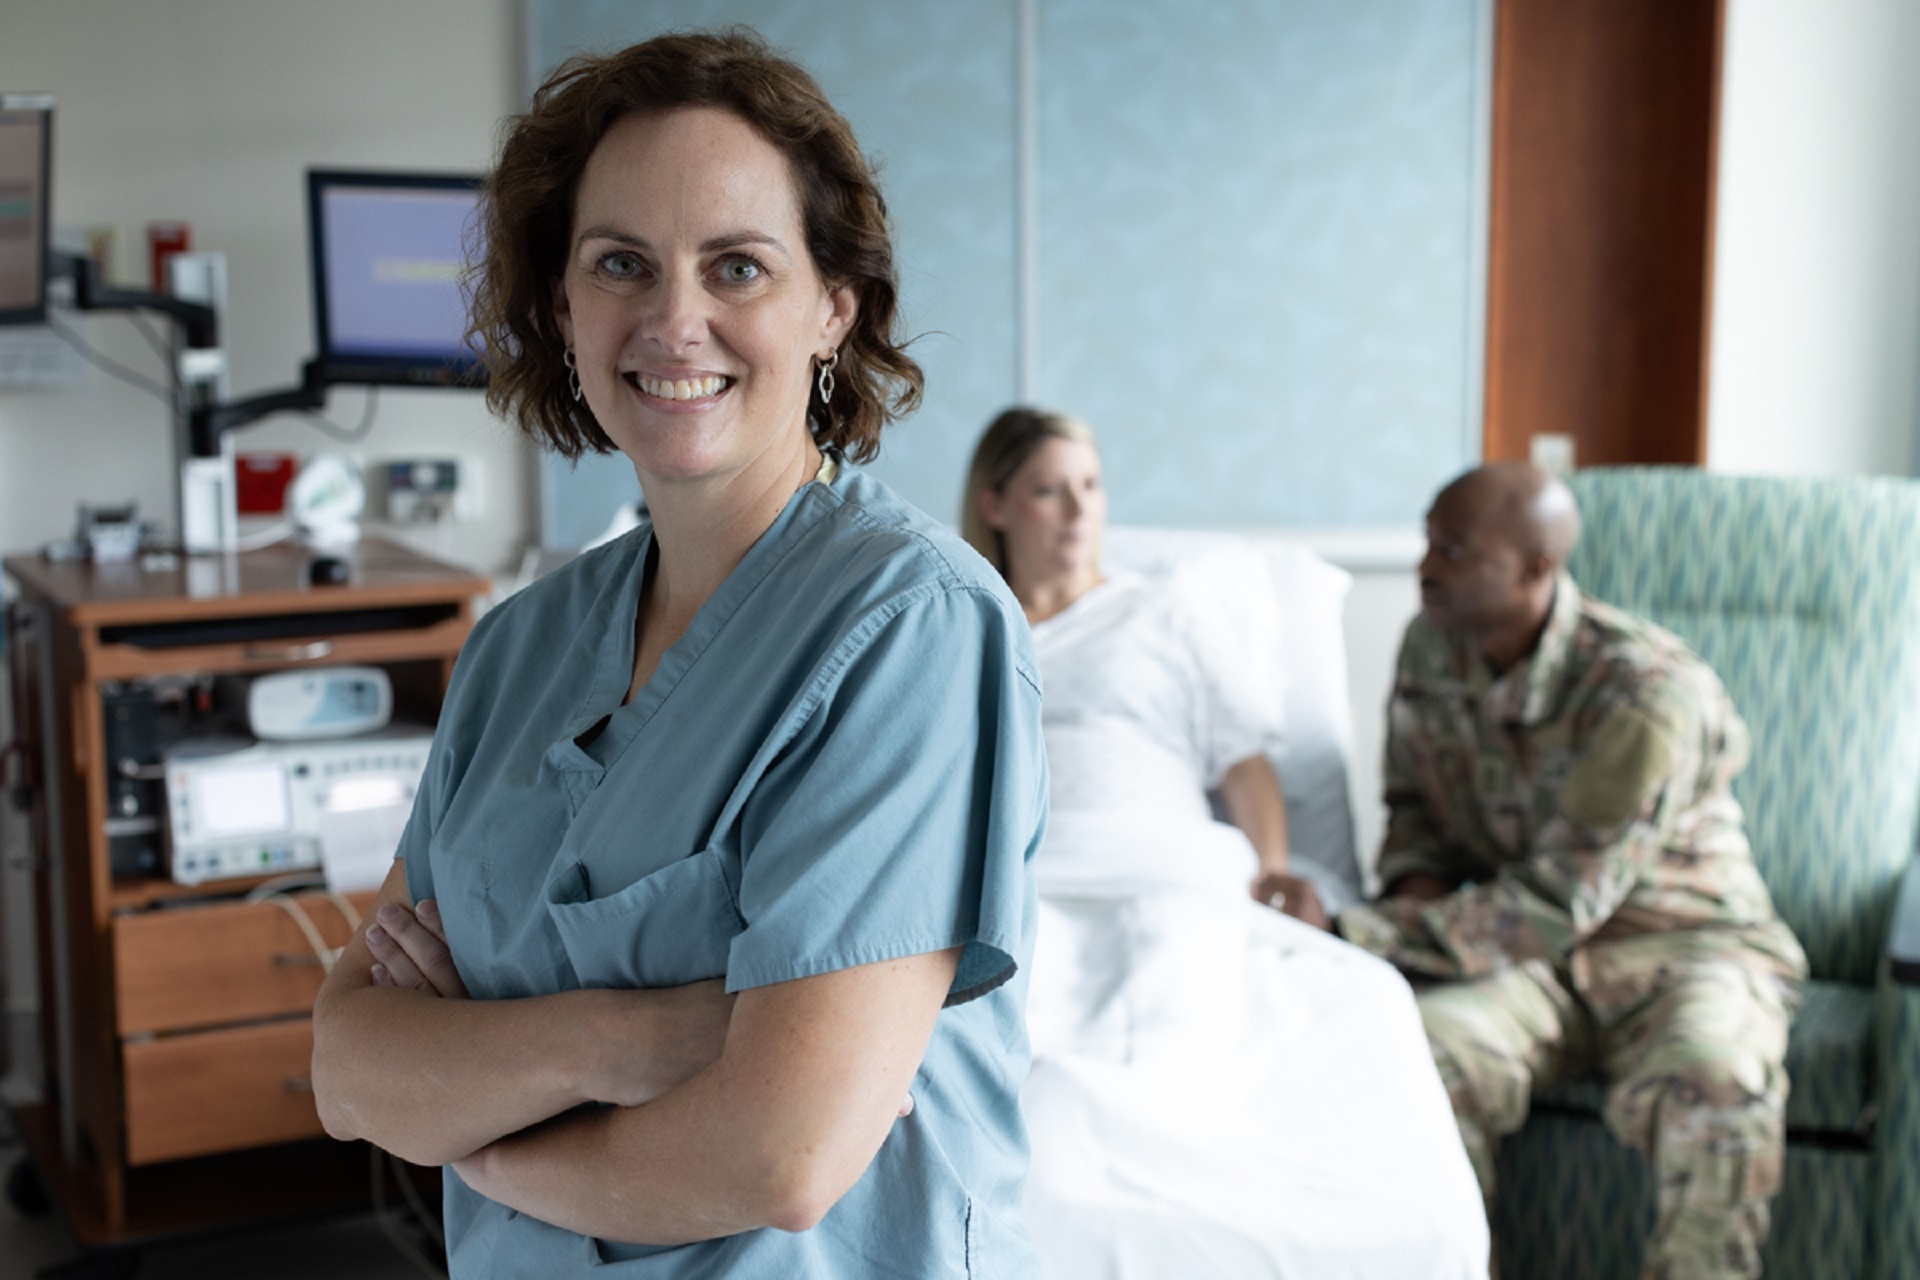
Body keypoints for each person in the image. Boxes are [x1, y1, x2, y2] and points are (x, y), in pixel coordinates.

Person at [310, 31, 1048, 1278]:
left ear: (834, 307)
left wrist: (483, 1145)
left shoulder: (913, 628)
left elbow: (781, 1157)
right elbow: (348, 1069)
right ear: (561, 303)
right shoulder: (517, 650)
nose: (674, 319)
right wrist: (620, 1039)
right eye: (620, 264)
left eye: (739, 267)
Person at [964, 407, 1489, 1279]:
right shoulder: (972, 627)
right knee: (1042, 1062)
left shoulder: (1164, 616)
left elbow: (1242, 768)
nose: (1077, 511)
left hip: (1171, 872)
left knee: (1237, 1030)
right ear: (995, 503)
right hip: (1032, 884)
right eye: (1049, 491)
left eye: (1089, 487)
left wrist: (1273, 867)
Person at [1334, 461, 1808, 1278]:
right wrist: (1413, 887)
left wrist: (1356, 932)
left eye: (1453, 549)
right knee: (1418, 1056)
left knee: (1719, 1088)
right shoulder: (1431, 646)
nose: (1425, 566)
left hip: (1685, 951)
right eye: (1426, 541)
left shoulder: (1648, 695)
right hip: (1533, 968)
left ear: (1534, 569)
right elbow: (1414, 810)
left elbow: (1557, 902)